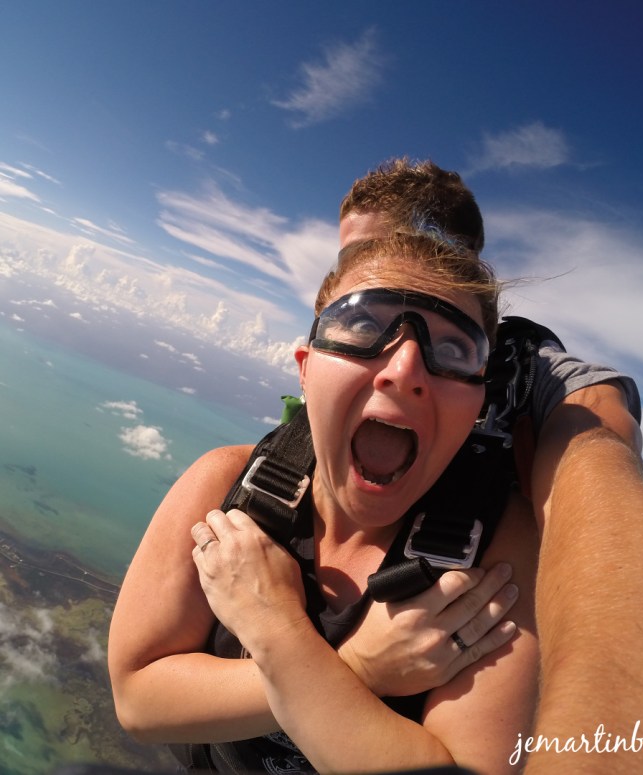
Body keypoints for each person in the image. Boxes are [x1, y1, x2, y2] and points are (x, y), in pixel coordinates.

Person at [336, 159, 643, 772]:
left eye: (379, 253)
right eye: (344, 264)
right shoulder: (346, 351)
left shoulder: (535, 375)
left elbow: (595, 451)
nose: (353, 281)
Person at [109, 233, 541, 773]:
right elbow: (138, 699)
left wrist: (277, 630)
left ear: (477, 400)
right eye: (362, 325)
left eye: (454, 350)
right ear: (305, 368)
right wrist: (359, 668)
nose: (404, 370)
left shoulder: (500, 545)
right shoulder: (224, 487)